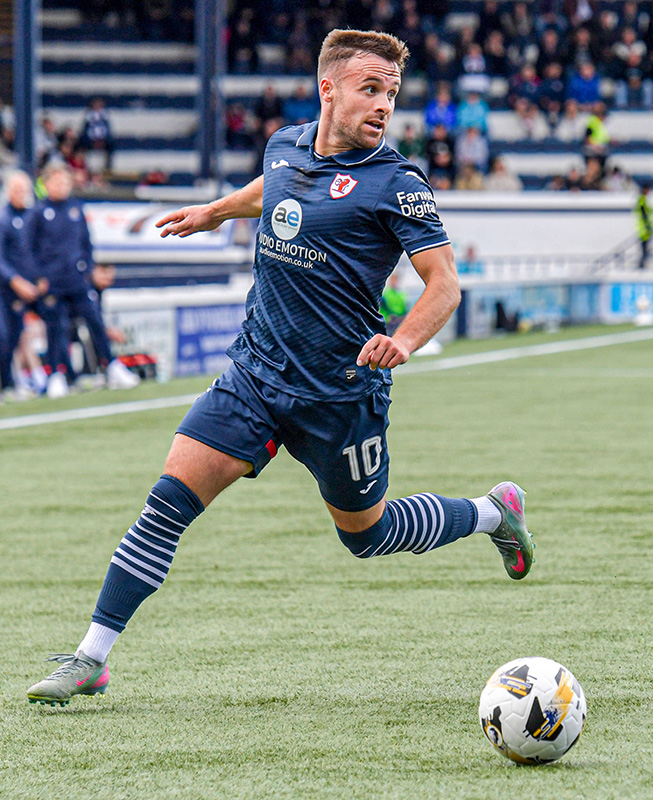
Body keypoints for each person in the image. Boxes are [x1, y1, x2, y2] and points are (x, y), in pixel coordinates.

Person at [27, 29, 535, 707]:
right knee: (166, 503)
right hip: (256, 376)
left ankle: (491, 513)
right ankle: (91, 657)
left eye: (390, 92)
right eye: (370, 88)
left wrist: (405, 340)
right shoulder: (285, 144)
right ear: (328, 89)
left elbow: (444, 284)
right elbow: (274, 187)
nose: (384, 104)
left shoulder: (398, 183)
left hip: (339, 395)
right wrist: (215, 211)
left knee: (368, 535)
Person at [23, 164, 139, 397]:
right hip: (52, 283)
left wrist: (88, 268)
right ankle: (56, 375)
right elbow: (29, 249)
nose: (62, 186)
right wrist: (38, 277)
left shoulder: (76, 208)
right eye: (57, 181)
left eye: (65, 182)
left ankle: (111, 365)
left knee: (95, 320)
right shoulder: (38, 212)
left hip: (77, 279)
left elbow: (86, 243)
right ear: (47, 184)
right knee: (56, 328)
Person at [0, 171, 49, 399]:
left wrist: (40, 277)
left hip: (30, 286)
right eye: (17, 189)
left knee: (53, 322)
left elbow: (38, 251)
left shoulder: (32, 216)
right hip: (6, 289)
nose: (21, 194)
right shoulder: (3, 218)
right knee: (6, 336)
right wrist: (16, 281)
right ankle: (8, 384)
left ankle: (55, 375)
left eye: (24, 189)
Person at [634, 183, 653, 270]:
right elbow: (644, 214)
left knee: (645, 249)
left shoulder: (644, 200)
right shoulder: (642, 200)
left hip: (645, 229)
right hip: (644, 230)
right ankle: (641, 265)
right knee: (644, 249)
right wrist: (648, 225)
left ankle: (642, 264)